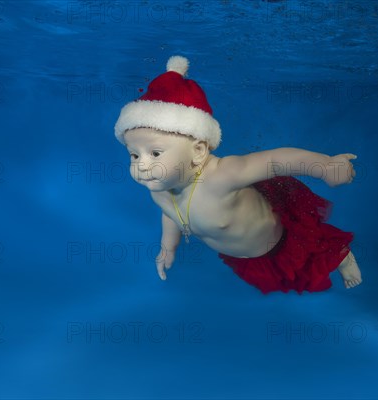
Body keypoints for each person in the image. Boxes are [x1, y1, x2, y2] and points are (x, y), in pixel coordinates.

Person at [114, 56, 362, 295]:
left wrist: (326, 166)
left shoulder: (221, 176)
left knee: (313, 257)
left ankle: (343, 256)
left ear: (199, 151)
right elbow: (171, 213)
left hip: (281, 237)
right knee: (281, 278)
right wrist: (169, 245)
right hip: (246, 256)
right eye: (134, 155)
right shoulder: (158, 188)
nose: (142, 165)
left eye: (155, 153)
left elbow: (276, 161)